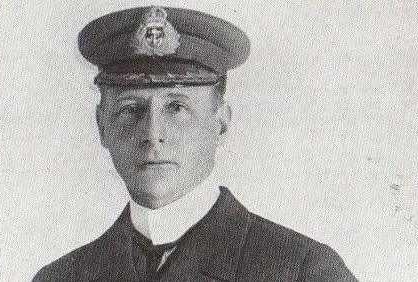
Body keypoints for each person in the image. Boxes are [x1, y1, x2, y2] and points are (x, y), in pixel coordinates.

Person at [34, 6, 357, 281]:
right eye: (131, 109)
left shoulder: (302, 271)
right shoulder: (62, 276)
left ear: (221, 124)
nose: (152, 133)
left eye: (177, 108)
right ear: (102, 126)